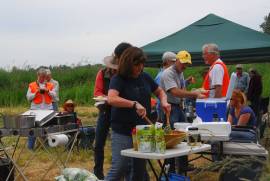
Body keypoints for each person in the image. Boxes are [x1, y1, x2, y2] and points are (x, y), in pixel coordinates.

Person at [106, 47, 171, 181]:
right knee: (119, 167)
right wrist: (134, 103)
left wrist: (164, 102)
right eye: (136, 64)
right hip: (123, 130)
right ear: (128, 64)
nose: (140, 67)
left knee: (139, 170)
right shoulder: (118, 79)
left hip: (142, 131)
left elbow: (160, 92)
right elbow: (111, 98)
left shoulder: (145, 77)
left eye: (142, 64)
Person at [160, 50, 205, 174]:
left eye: (187, 64)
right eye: (183, 63)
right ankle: (170, 168)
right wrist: (194, 94)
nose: (185, 66)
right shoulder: (168, 73)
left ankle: (183, 165)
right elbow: (174, 91)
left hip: (178, 107)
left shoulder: (180, 73)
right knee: (170, 138)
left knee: (184, 134)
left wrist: (193, 92)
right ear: (177, 60)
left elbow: (182, 90)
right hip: (169, 108)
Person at [93, 42, 132, 180]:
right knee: (99, 143)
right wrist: (108, 98)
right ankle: (98, 173)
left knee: (123, 145)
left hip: (121, 112)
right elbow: (97, 92)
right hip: (106, 110)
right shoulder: (102, 73)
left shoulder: (126, 74)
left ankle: (122, 173)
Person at [26, 67, 57, 149]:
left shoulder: (50, 85)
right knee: (33, 129)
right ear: (38, 75)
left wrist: (48, 91)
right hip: (35, 110)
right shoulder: (32, 85)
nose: (43, 78)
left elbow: (55, 96)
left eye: (44, 77)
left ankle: (47, 147)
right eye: (41, 77)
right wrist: (36, 93)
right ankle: (30, 147)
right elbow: (28, 98)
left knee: (48, 129)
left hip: (47, 110)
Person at [154, 51, 177, 122]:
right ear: (167, 62)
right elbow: (160, 95)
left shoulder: (168, 74)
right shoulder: (161, 76)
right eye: (173, 61)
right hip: (164, 109)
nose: (175, 64)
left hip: (168, 107)